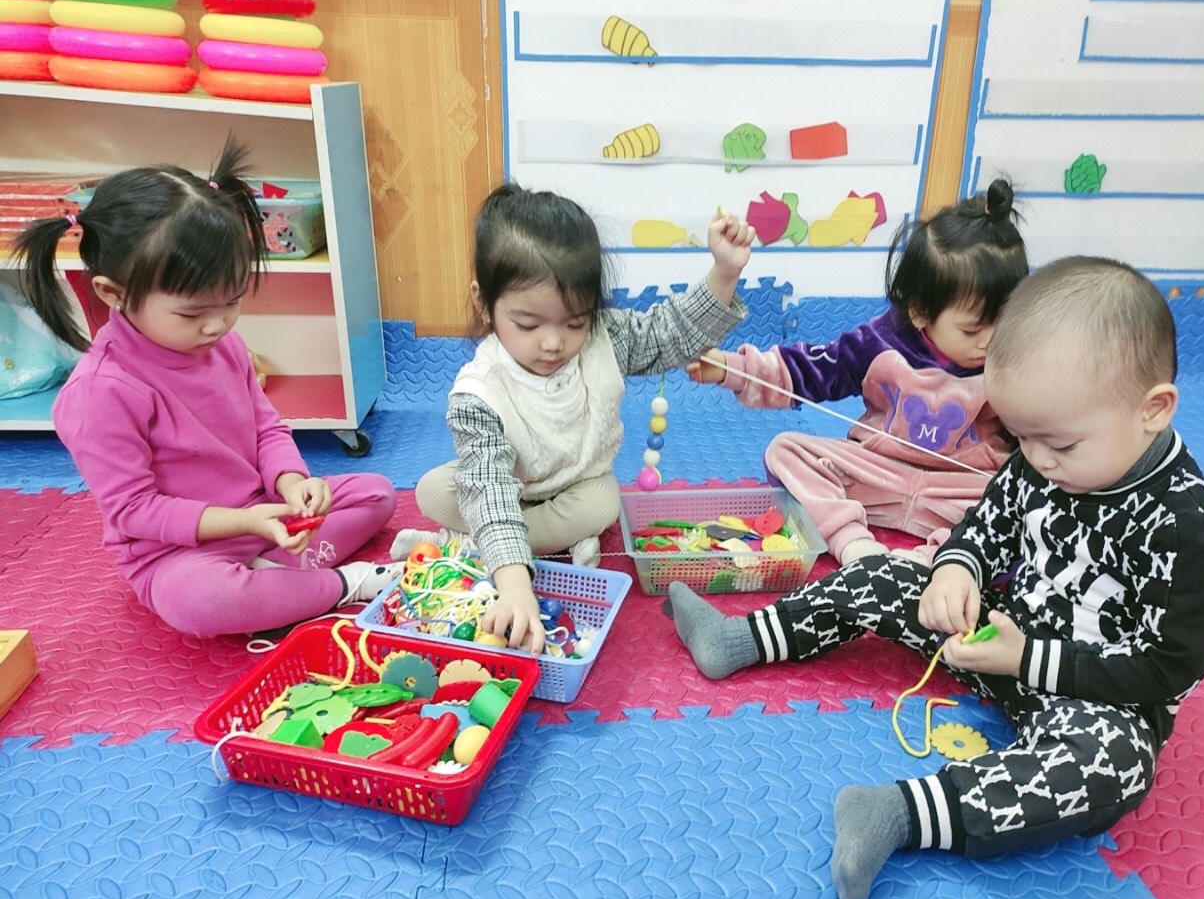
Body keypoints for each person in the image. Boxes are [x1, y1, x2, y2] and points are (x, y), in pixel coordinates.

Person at [667, 256, 1204, 899]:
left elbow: (1166, 670)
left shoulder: (1196, 535)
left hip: (1097, 697)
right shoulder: (1041, 456)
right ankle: (742, 638)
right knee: (883, 572)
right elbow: (986, 523)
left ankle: (897, 813)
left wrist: (1028, 658)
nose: (1036, 461)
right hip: (990, 639)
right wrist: (956, 568)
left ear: (1153, 410)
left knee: (1114, 767)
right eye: (1023, 439)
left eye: (1059, 445)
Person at [14, 140, 398, 638]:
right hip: (178, 551)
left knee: (375, 493)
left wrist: (292, 482)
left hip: (263, 513)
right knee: (203, 602)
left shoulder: (226, 347)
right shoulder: (100, 393)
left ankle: (274, 580)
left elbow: (266, 429)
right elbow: (134, 511)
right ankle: (339, 584)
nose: (217, 325)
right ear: (112, 293)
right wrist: (247, 524)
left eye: (231, 302)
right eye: (192, 313)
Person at [394, 184, 755, 654]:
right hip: (509, 486)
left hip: (576, 484)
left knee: (603, 502)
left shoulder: (606, 339)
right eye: (528, 325)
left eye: (575, 322)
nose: (553, 343)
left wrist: (725, 271)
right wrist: (516, 589)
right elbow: (487, 486)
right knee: (434, 490)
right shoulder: (478, 392)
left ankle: (489, 546)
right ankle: (510, 545)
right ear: (483, 303)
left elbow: (668, 334)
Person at [688, 180, 1027, 565]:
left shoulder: (1016, 359)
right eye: (972, 329)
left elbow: (1042, 433)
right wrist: (732, 370)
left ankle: (937, 561)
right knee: (786, 450)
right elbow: (811, 369)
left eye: (1004, 322)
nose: (990, 340)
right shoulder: (882, 341)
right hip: (876, 473)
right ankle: (852, 542)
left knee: (1027, 506)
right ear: (920, 312)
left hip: (960, 490)